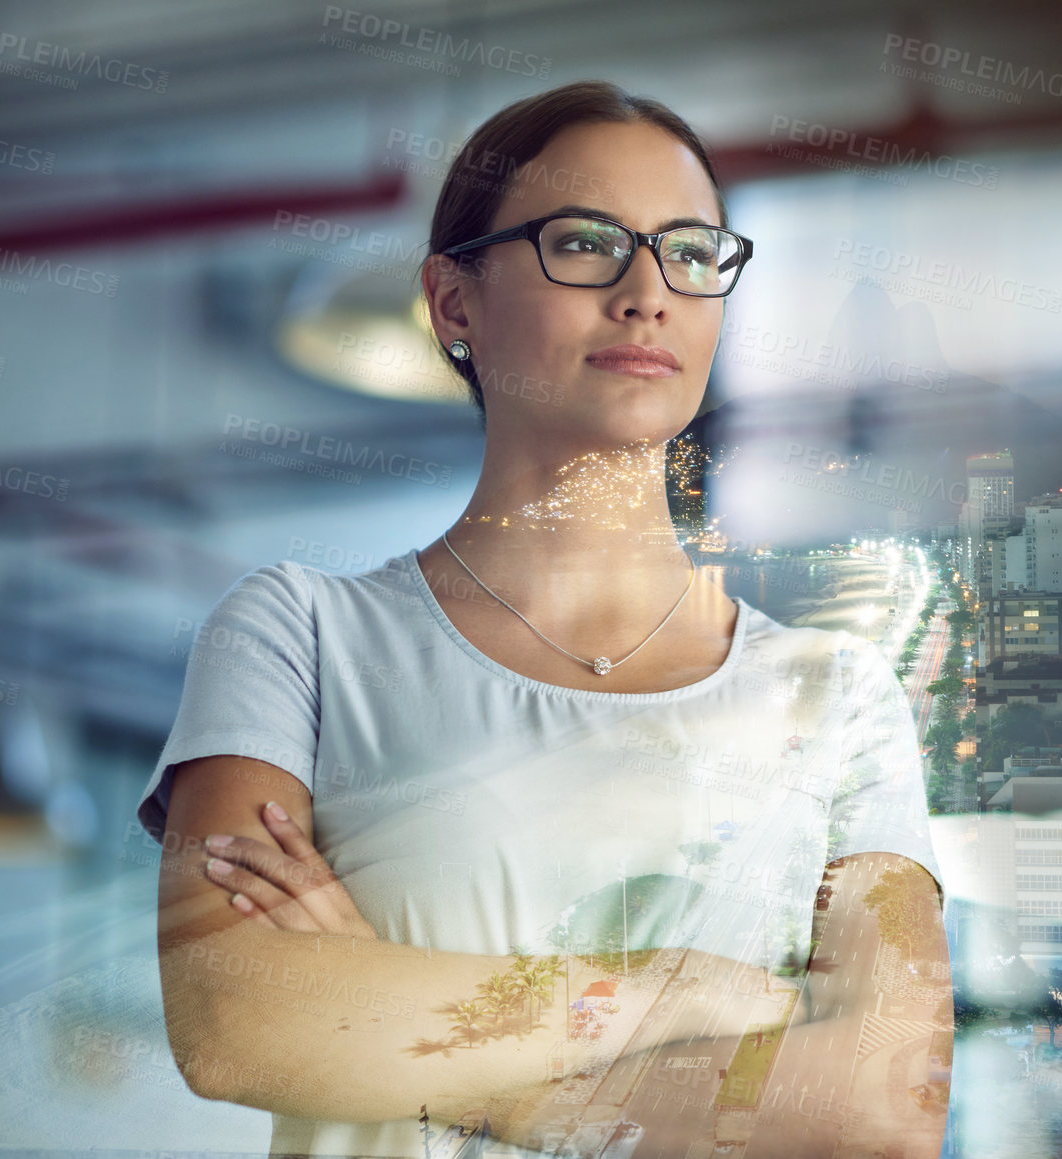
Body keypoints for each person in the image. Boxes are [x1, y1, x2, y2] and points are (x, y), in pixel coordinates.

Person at [138, 80, 950, 1158]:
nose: (647, 292)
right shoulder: (301, 635)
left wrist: (425, 1051)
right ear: (452, 301)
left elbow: (885, 1110)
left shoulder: (840, 697)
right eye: (584, 242)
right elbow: (239, 1023)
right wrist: (684, 991)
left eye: (692, 252)